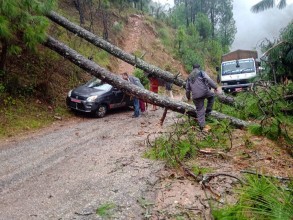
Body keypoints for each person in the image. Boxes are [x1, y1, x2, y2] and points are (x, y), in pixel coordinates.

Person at [186, 64, 218, 131]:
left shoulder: (189, 77)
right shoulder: (201, 72)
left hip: (195, 96)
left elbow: (187, 89)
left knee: (200, 110)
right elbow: (208, 80)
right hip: (205, 92)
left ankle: (202, 126)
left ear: (193, 68)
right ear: (199, 67)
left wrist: (188, 97)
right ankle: (208, 111)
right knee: (212, 96)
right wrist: (215, 87)